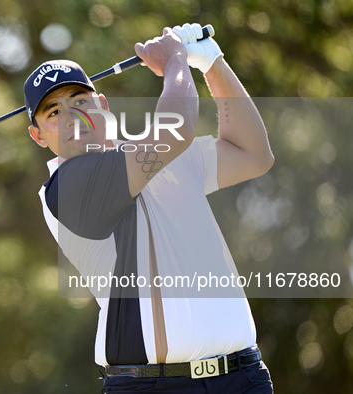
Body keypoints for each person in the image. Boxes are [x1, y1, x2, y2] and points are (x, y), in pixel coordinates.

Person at [23, 23, 275, 393]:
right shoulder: (65, 187)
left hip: (243, 376)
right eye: (53, 113)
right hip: (152, 387)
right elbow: (176, 130)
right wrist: (175, 59)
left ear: (102, 105)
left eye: (79, 101)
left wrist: (212, 63)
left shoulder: (157, 154)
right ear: (38, 136)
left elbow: (253, 154)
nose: (73, 117)